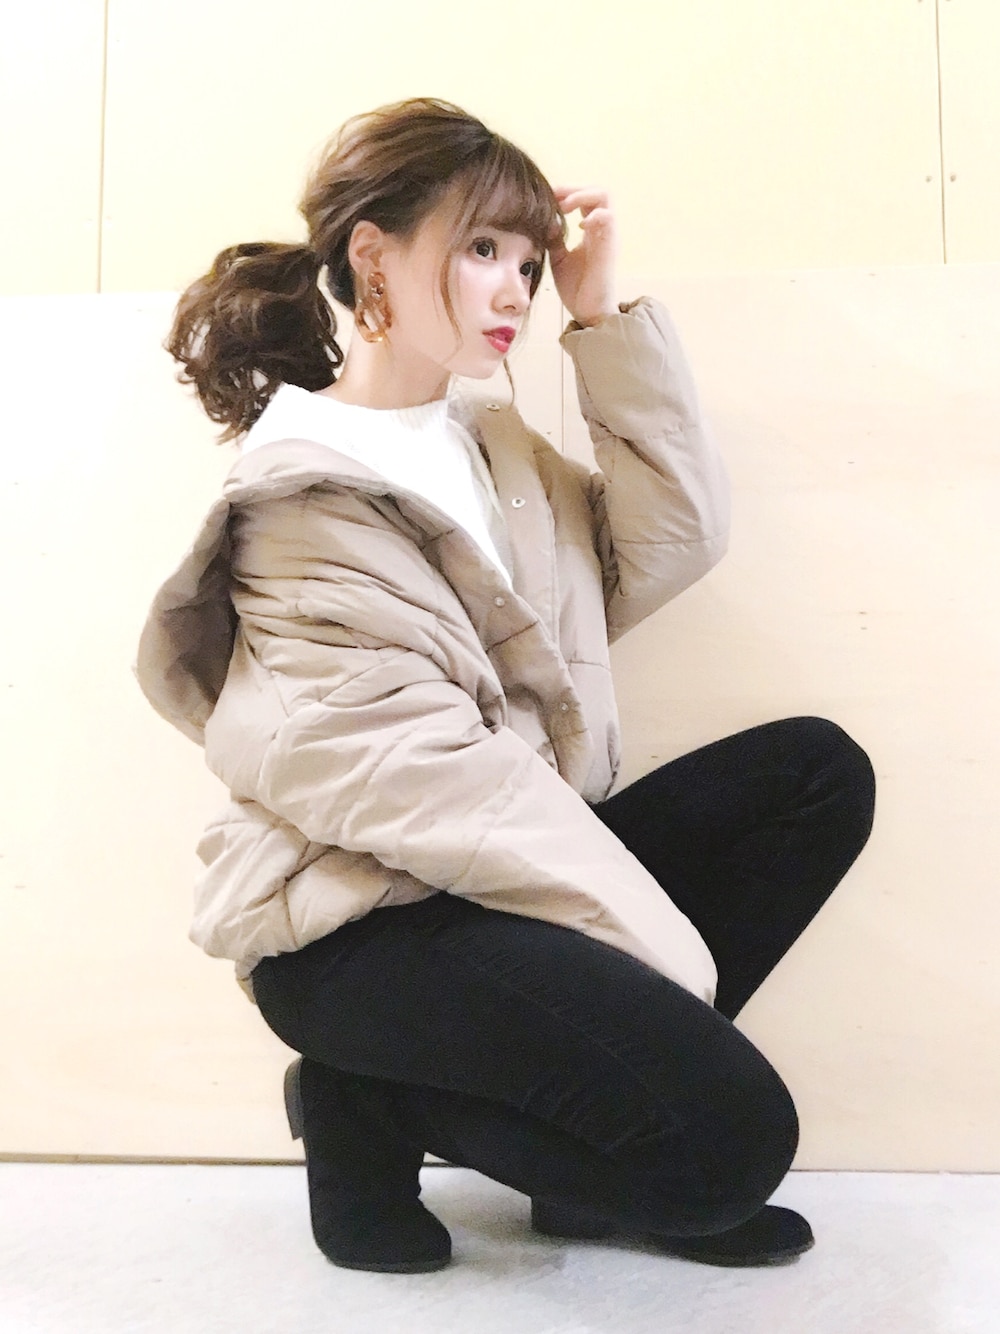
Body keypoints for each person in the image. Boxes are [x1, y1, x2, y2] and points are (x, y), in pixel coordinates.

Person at [135, 97, 876, 1276]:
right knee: (732, 1146)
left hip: (497, 874)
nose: (513, 289)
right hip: (361, 923)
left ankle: (580, 1167)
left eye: (528, 262)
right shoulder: (300, 501)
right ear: (373, 255)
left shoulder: (493, 449)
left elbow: (671, 539)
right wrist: (664, 960)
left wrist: (602, 318)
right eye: (482, 248)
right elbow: (433, 782)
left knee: (813, 773)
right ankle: (364, 1097)